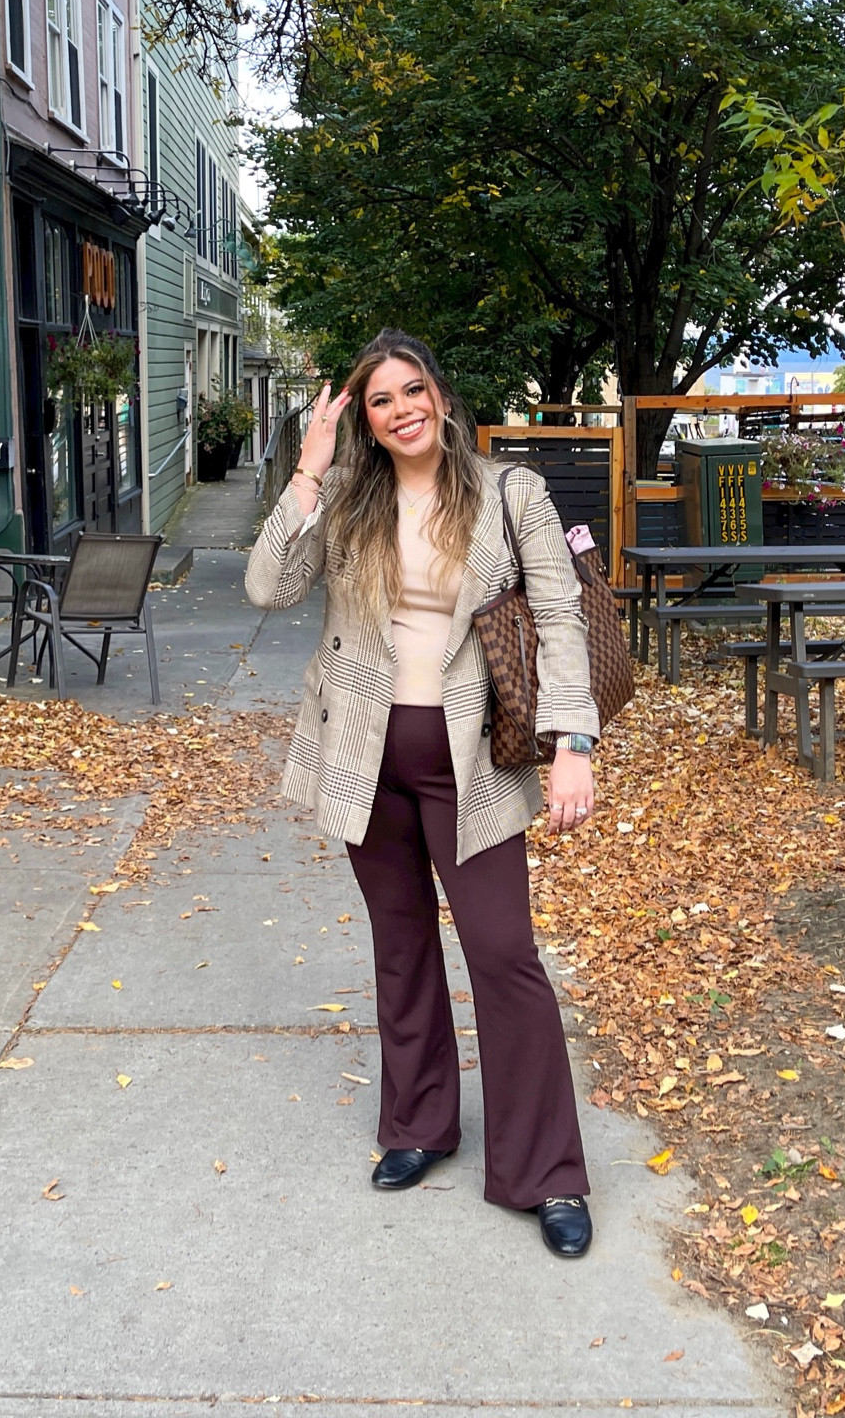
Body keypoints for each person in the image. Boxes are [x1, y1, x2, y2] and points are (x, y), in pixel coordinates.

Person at [245, 328, 600, 1257]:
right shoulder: (351, 501)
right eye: (380, 401)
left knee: (504, 954)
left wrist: (574, 743)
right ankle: (417, 1124)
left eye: (413, 391)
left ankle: (547, 1173)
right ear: (365, 419)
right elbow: (267, 587)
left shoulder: (505, 493)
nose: (401, 410)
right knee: (401, 949)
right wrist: (308, 473)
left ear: (441, 396)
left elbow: (560, 614)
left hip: (472, 758)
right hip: (367, 757)